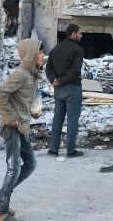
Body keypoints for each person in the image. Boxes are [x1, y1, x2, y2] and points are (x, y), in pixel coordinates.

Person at [0, 38, 44, 221]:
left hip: (22, 126)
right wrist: (11, 116)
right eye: (39, 51)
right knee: (13, 168)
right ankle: (1, 213)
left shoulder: (32, 75)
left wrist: (33, 110)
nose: (42, 54)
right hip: (12, 126)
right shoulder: (20, 74)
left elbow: (25, 98)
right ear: (30, 54)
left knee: (30, 164)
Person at [45, 23, 84, 157]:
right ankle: (70, 151)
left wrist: (54, 80)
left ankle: (53, 150)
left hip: (58, 90)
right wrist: (62, 80)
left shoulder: (55, 49)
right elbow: (75, 71)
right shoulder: (77, 49)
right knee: (72, 119)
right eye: (79, 33)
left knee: (58, 118)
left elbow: (48, 68)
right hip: (72, 88)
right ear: (73, 34)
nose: (81, 36)